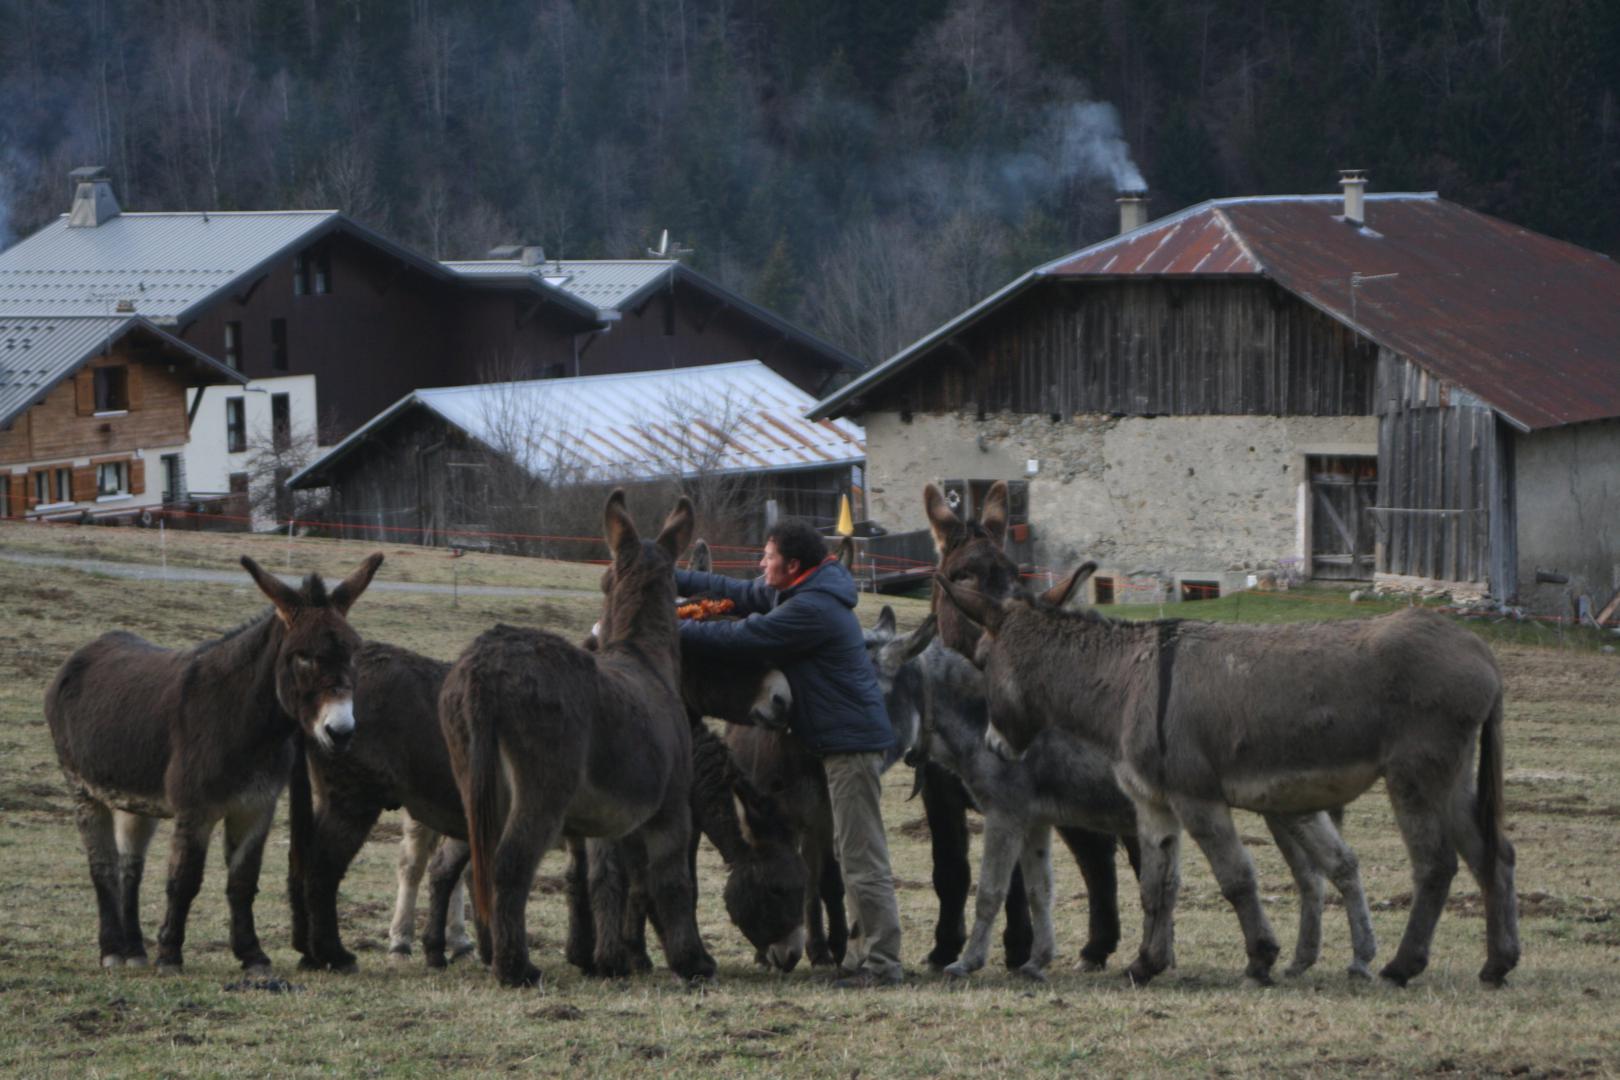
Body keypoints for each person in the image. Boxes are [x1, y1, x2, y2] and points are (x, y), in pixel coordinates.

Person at [674, 518, 903, 988]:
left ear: (793, 565)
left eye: (768, 556)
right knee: (850, 853)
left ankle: (882, 965)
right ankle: (859, 957)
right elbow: (735, 592)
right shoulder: (803, 590)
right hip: (837, 742)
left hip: (850, 748)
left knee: (861, 857)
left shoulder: (812, 608)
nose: (762, 564)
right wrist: (667, 576)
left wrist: (667, 628)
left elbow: (743, 636)